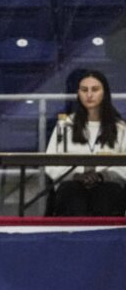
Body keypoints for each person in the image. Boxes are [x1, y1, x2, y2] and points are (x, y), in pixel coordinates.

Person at [44, 69, 126, 216]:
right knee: (71, 190)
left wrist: (102, 176)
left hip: (108, 185)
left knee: (107, 192)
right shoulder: (65, 125)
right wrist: (77, 176)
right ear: (78, 93)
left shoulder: (120, 127)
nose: (89, 95)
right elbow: (51, 163)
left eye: (95, 89)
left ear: (104, 93)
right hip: (71, 184)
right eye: (84, 90)